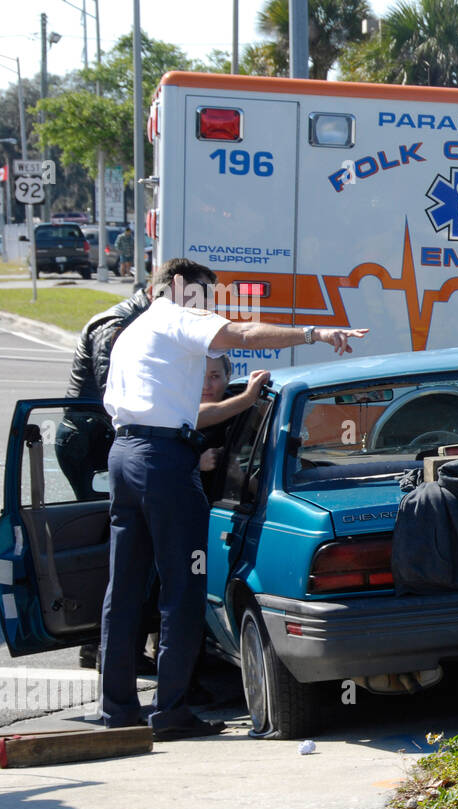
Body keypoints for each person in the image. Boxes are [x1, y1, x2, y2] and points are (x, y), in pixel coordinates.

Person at [98, 258, 367, 739]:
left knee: (124, 587)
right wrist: (315, 334)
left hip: (125, 454)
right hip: (162, 464)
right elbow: (243, 335)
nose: (210, 307)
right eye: (203, 294)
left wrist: (242, 402)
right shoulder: (177, 317)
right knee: (183, 589)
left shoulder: (134, 332)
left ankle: (117, 709)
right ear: (178, 289)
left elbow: (177, 412)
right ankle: (171, 712)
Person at [57, 285, 154, 669]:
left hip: (94, 436)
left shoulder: (129, 318)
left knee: (109, 543)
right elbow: (110, 385)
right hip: (91, 439)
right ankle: (102, 646)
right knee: (111, 545)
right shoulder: (117, 323)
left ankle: (97, 644)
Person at [197, 356, 271, 501]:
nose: (206, 385)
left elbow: (272, 496)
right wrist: (196, 465)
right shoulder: (175, 416)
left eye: (214, 376)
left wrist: (240, 476)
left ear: (228, 376)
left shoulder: (246, 414)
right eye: (200, 376)